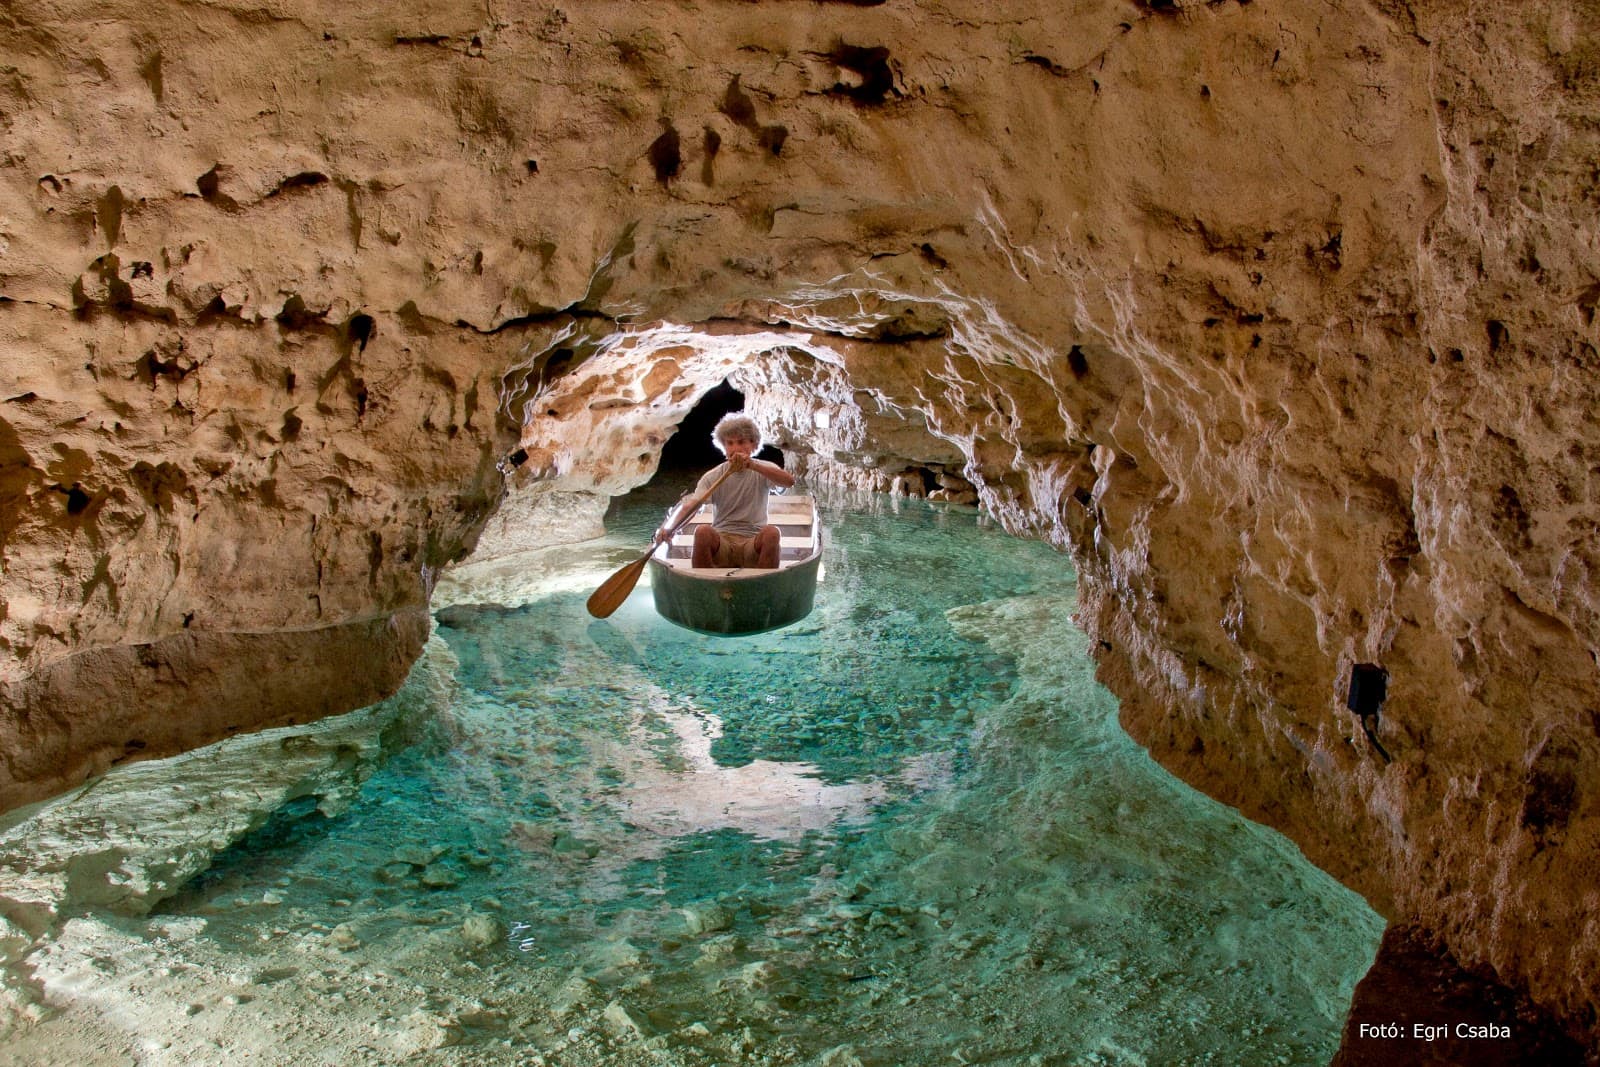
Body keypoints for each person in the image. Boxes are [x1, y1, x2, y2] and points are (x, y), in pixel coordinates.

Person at [655, 414, 796, 568]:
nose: (735, 448)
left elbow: (789, 482)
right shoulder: (713, 476)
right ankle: (705, 584)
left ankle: (763, 584)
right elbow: (691, 506)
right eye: (730, 443)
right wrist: (670, 528)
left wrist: (753, 465)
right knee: (702, 531)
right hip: (723, 542)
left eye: (741, 442)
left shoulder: (764, 469)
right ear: (723, 446)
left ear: (753, 445)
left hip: (753, 542)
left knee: (772, 533)